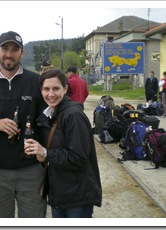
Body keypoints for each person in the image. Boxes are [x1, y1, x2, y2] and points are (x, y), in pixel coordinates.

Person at [0, 31, 47, 218]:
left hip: (31, 170)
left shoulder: (36, 82)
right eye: (5, 48)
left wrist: (46, 155)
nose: (9, 54)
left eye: (15, 49)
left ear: (22, 53)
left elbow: (47, 121)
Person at [24, 68, 102, 218]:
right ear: (41, 90)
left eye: (56, 89)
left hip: (77, 196)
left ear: (65, 89)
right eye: (46, 89)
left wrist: (46, 153)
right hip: (60, 193)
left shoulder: (73, 115)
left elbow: (78, 158)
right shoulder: (52, 114)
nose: (51, 94)